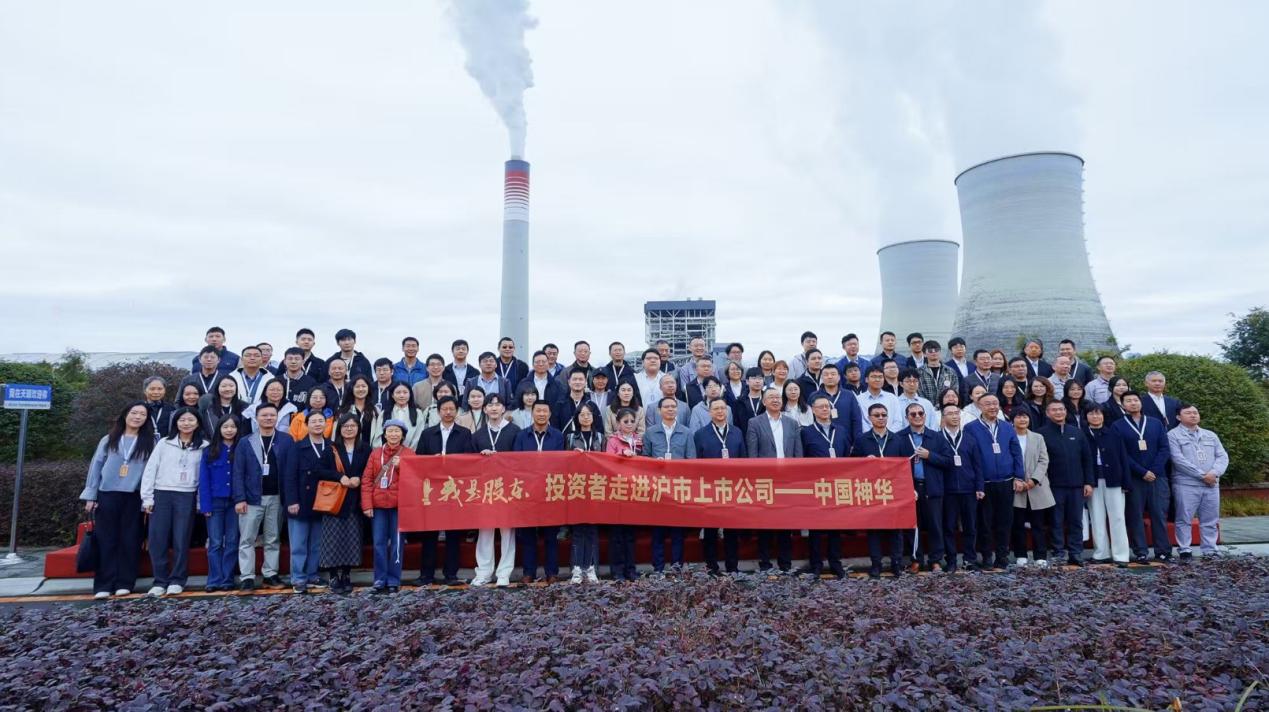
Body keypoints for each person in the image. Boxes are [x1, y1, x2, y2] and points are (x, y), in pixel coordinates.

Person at [81, 402, 156, 598]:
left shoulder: (150, 441)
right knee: (106, 539)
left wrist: (149, 497)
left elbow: (152, 471)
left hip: (134, 496)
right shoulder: (109, 439)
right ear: (125, 415)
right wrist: (91, 495)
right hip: (108, 494)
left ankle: (125, 582)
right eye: (134, 413)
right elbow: (96, 466)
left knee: (130, 539)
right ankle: (104, 584)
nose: (137, 417)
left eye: (142, 414)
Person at [141, 407, 207, 597]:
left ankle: (178, 580)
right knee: (158, 539)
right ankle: (160, 581)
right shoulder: (164, 443)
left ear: (198, 423)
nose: (186, 423)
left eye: (191, 420)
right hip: (162, 493)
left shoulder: (204, 446)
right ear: (176, 423)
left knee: (181, 539)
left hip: (187, 495)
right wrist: (147, 497)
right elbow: (151, 469)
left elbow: (204, 477)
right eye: (182, 420)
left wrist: (200, 502)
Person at [416, 396, 474, 586]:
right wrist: (432, 461)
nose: (448, 412)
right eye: (444, 409)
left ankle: (451, 574)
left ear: (457, 411)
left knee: (453, 534)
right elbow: (418, 460)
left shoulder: (464, 433)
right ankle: (426, 575)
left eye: (451, 409)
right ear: (438, 411)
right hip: (432, 489)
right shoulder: (427, 434)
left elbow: (469, 461)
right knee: (430, 534)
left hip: (454, 489)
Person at [849, 404, 912, 579]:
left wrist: (908, 488)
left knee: (896, 529)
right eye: (876, 415)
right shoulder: (862, 440)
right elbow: (852, 464)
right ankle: (876, 564)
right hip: (872, 490)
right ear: (870, 418)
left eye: (884, 414)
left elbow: (906, 465)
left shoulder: (897, 439)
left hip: (893, 489)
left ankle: (896, 563)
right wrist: (864, 461)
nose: (881, 418)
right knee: (874, 530)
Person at [233, 402, 290, 590]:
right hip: (251, 498)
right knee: (247, 539)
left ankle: (270, 574)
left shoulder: (286, 440)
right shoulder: (246, 442)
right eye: (264, 415)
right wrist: (239, 498)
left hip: (276, 497)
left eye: (272, 415)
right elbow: (238, 472)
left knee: (272, 538)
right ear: (256, 418)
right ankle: (247, 577)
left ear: (277, 418)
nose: (268, 418)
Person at [965, 394, 1025, 570]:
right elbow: (969, 457)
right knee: (984, 523)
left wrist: (1019, 476)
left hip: (1006, 481)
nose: (992, 407)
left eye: (995, 403)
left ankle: (1002, 557)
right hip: (984, 483)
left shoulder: (1007, 427)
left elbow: (1016, 453)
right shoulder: (971, 428)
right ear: (979, 406)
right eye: (988, 404)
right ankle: (986, 557)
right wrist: (976, 482)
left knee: (1005, 522)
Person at [746, 387, 802, 574]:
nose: (776, 400)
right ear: (764, 402)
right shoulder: (754, 422)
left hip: (787, 480)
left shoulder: (792, 423)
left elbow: (798, 453)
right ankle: (765, 563)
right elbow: (752, 455)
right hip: (765, 481)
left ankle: (785, 564)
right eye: (771, 397)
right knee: (765, 524)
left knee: (785, 523)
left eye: (778, 397)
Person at [1113, 391, 1173, 563]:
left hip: (1157, 476)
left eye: (1135, 400)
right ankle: (1140, 551)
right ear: (1122, 405)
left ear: (1141, 403)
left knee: (1159, 514)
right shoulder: (1118, 425)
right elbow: (1121, 453)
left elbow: (1164, 448)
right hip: (1134, 477)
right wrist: (1142, 471)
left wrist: (1154, 470)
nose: (1133, 403)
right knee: (1135, 515)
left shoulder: (1155, 423)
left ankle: (1163, 551)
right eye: (1128, 401)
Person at [282, 410, 337, 593]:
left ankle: (313, 575)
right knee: (299, 543)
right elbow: (289, 476)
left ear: (326, 424)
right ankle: (298, 577)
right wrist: (292, 501)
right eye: (313, 421)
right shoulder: (297, 447)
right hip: (300, 500)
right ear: (306, 425)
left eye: (321, 421)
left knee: (316, 543)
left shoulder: (331, 447)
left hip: (323, 501)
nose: (317, 424)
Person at [471, 398, 522, 587]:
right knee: (485, 530)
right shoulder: (478, 435)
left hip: (507, 487)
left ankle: (504, 573)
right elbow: (469, 462)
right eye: (490, 405)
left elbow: (520, 459)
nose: (494, 408)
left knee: (507, 531)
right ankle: (484, 572)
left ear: (503, 409)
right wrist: (481, 458)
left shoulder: (515, 431)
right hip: (485, 489)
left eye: (497, 405)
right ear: (485, 409)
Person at [1168, 403, 1228, 561]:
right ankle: (1185, 549)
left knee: (1210, 520)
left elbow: (1222, 456)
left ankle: (1210, 549)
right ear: (1178, 417)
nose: (1193, 415)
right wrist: (1202, 475)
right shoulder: (1173, 435)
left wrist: (1214, 473)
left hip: (1211, 484)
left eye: (1195, 412)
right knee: (1184, 518)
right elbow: (1178, 460)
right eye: (1188, 413)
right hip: (1186, 484)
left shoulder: (1210, 435)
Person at [694, 397, 747, 576]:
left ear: (727, 411)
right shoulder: (700, 434)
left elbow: (744, 460)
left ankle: (732, 567)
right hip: (710, 487)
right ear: (710, 412)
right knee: (711, 530)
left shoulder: (737, 432)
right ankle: (712, 567)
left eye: (723, 408)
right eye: (716, 408)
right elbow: (696, 463)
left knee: (732, 529)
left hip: (732, 487)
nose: (720, 411)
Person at [514, 401, 566, 583]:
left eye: (545, 411)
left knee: (551, 535)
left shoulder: (557, 436)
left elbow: (559, 462)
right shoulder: (522, 436)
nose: (541, 414)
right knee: (528, 535)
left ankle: (552, 572)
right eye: (538, 411)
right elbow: (517, 462)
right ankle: (529, 572)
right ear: (532, 413)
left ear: (550, 414)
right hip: (528, 491)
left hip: (550, 491)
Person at [1038, 401, 1095, 567]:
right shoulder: (1041, 434)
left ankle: (1075, 553)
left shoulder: (1077, 432)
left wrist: (1088, 482)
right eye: (1054, 410)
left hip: (1077, 485)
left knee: (1076, 521)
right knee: (1056, 521)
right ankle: (1058, 553)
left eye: (1061, 409)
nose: (1058, 412)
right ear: (1047, 413)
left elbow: (1087, 459)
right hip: (1053, 485)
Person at [799, 394, 850, 577]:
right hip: (816, 485)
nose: (824, 409)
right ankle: (816, 564)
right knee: (816, 527)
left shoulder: (841, 430)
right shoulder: (806, 432)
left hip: (837, 484)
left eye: (827, 406)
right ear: (813, 410)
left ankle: (835, 562)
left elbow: (847, 455)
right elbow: (802, 458)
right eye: (820, 407)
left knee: (836, 526)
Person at [318, 414, 369, 594]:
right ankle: (333, 576)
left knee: (351, 541)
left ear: (358, 428)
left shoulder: (365, 449)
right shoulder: (331, 449)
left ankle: (346, 575)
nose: (349, 429)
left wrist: (359, 478)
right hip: (334, 502)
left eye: (353, 426)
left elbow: (371, 471)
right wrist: (340, 477)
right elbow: (320, 471)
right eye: (345, 426)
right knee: (332, 541)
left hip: (354, 501)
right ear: (339, 429)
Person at [643, 400, 695, 576]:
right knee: (657, 532)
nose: (670, 409)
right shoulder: (651, 432)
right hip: (658, 488)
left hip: (678, 488)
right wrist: (653, 463)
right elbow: (644, 459)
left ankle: (676, 568)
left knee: (677, 532)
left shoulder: (686, 432)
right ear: (659, 411)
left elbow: (691, 460)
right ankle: (658, 568)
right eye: (666, 407)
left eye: (673, 407)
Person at [900, 403, 953, 572]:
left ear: (925, 415)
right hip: (910, 487)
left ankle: (935, 560)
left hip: (932, 486)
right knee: (912, 526)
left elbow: (948, 461)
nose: (917, 416)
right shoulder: (900, 437)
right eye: (913, 414)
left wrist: (930, 456)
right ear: (907, 417)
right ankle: (916, 559)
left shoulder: (936, 437)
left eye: (920, 413)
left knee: (935, 525)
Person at [362, 420, 411, 594]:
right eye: (390, 431)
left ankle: (394, 579)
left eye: (397, 431)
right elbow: (367, 480)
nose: (393, 434)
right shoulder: (376, 453)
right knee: (378, 543)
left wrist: (400, 467)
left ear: (402, 435)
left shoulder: (409, 453)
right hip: (378, 506)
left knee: (397, 544)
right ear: (384, 434)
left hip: (399, 506)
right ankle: (379, 578)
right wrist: (367, 505)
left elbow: (414, 480)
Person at [935, 404, 984, 573]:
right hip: (947, 490)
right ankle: (951, 560)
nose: (955, 416)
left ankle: (970, 559)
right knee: (949, 527)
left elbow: (978, 465)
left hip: (969, 489)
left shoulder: (970, 438)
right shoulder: (937, 438)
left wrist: (979, 486)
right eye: (950, 413)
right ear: (943, 417)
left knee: (970, 527)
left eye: (957, 413)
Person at [199, 414, 242, 592]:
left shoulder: (242, 448)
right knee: (215, 542)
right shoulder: (209, 451)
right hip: (215, 502)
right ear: (219, 429)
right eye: (225, 427)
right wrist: (205, 506)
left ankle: (227, 579)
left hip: (235, 502)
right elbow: (204, 480)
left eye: (233, 427)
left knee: (232, 541)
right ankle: (214, 579)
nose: (229, 430)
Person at [1084, 405, 1131, 566]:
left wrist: (1126, 482)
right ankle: (1101, 553)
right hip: (1092, 481)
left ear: (1103, 416)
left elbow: (1123, 458)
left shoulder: (1114, 433)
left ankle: (1121, 555)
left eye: (1098, 413)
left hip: (1114, 479)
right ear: (1086, 416)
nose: (1095, 416)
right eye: (1091, 413)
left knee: (1118, 517)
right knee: (1096, 516)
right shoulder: (1083, 434)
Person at [1009, 409, 1053, 568]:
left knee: (1038, 524)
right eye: (1018, 416)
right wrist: (1017, 479)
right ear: (1012, 420)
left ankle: (1040, 556)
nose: (1022, 419)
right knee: (1018, 524)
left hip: (1036, 486)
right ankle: (1020, 555)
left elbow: (1043, 460)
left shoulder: (1038, 437)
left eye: (1025, 416)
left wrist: (1033, 480)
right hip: (1016, 486)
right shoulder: (1007, 436)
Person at [810, 363, 861, 446]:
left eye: (833, 374)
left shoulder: (849, 395)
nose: (830, 377)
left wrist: (856, 443)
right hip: (820, 441)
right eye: (826, 375)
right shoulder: (814, 396)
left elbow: (856, 420)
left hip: (846, 441)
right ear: (821, 378)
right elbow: (810, 419)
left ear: (839, 377)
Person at [371, 382, 425, 449]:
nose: (402, 395)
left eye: (405, 392)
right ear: (392, 395)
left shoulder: (418, 413)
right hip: (386, 453)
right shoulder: (384, 413)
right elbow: (378, 437)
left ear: (410, 394)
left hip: (410, 453)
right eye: (398, 392)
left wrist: (407, 452)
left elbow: (418, 437)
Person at [857, 367, 902, 433]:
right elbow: (861, 423)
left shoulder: (892, 398)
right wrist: (873, 435)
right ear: (866, 379)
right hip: (868, 437)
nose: (877, 379)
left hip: (891, 436)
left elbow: (898, 421)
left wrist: (887, 435)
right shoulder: (859, 399)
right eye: (874, 377)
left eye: (880, 377)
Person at [229, 345, 276, 409]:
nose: (252, 358)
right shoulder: (231, 377)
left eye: (256, 356)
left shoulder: (271, 379)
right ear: (242, 359)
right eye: (248, 355)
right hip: (235, 412)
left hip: (263, 412)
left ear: (261, 359)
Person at [917, 341, 960, 405]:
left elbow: (955, 391)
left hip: (946, 407)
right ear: (924, 354)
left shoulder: (950, 371)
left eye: (936, 350)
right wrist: (928, 406)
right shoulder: (919, 372)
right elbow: (918, 392)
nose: (934, 352)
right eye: (930, 351)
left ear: (940, 352)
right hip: (925, 407)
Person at [343, 375, 378, 444]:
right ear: (352, 389)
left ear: (368, 388)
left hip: (370, 449)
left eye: (363, 386)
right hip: (348, 448)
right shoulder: (344, 411)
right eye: (357, 386)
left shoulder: (375, 411)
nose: (361, 389)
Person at [733, 367, 766, 435]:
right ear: (747, 381)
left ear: (764, 380)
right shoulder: (739, 402)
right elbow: (736, 425)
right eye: (754, 378)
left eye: (760, 378)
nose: (757, 381)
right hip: (746, 437)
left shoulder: (768, 400)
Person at [141, 376, 174, 441]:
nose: (156, 392)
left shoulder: (171, 409)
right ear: (145, 391)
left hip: (166, 444)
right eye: (152, 389)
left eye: (160, 389)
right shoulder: (138, 409)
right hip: (142, 443)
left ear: (164, 390)